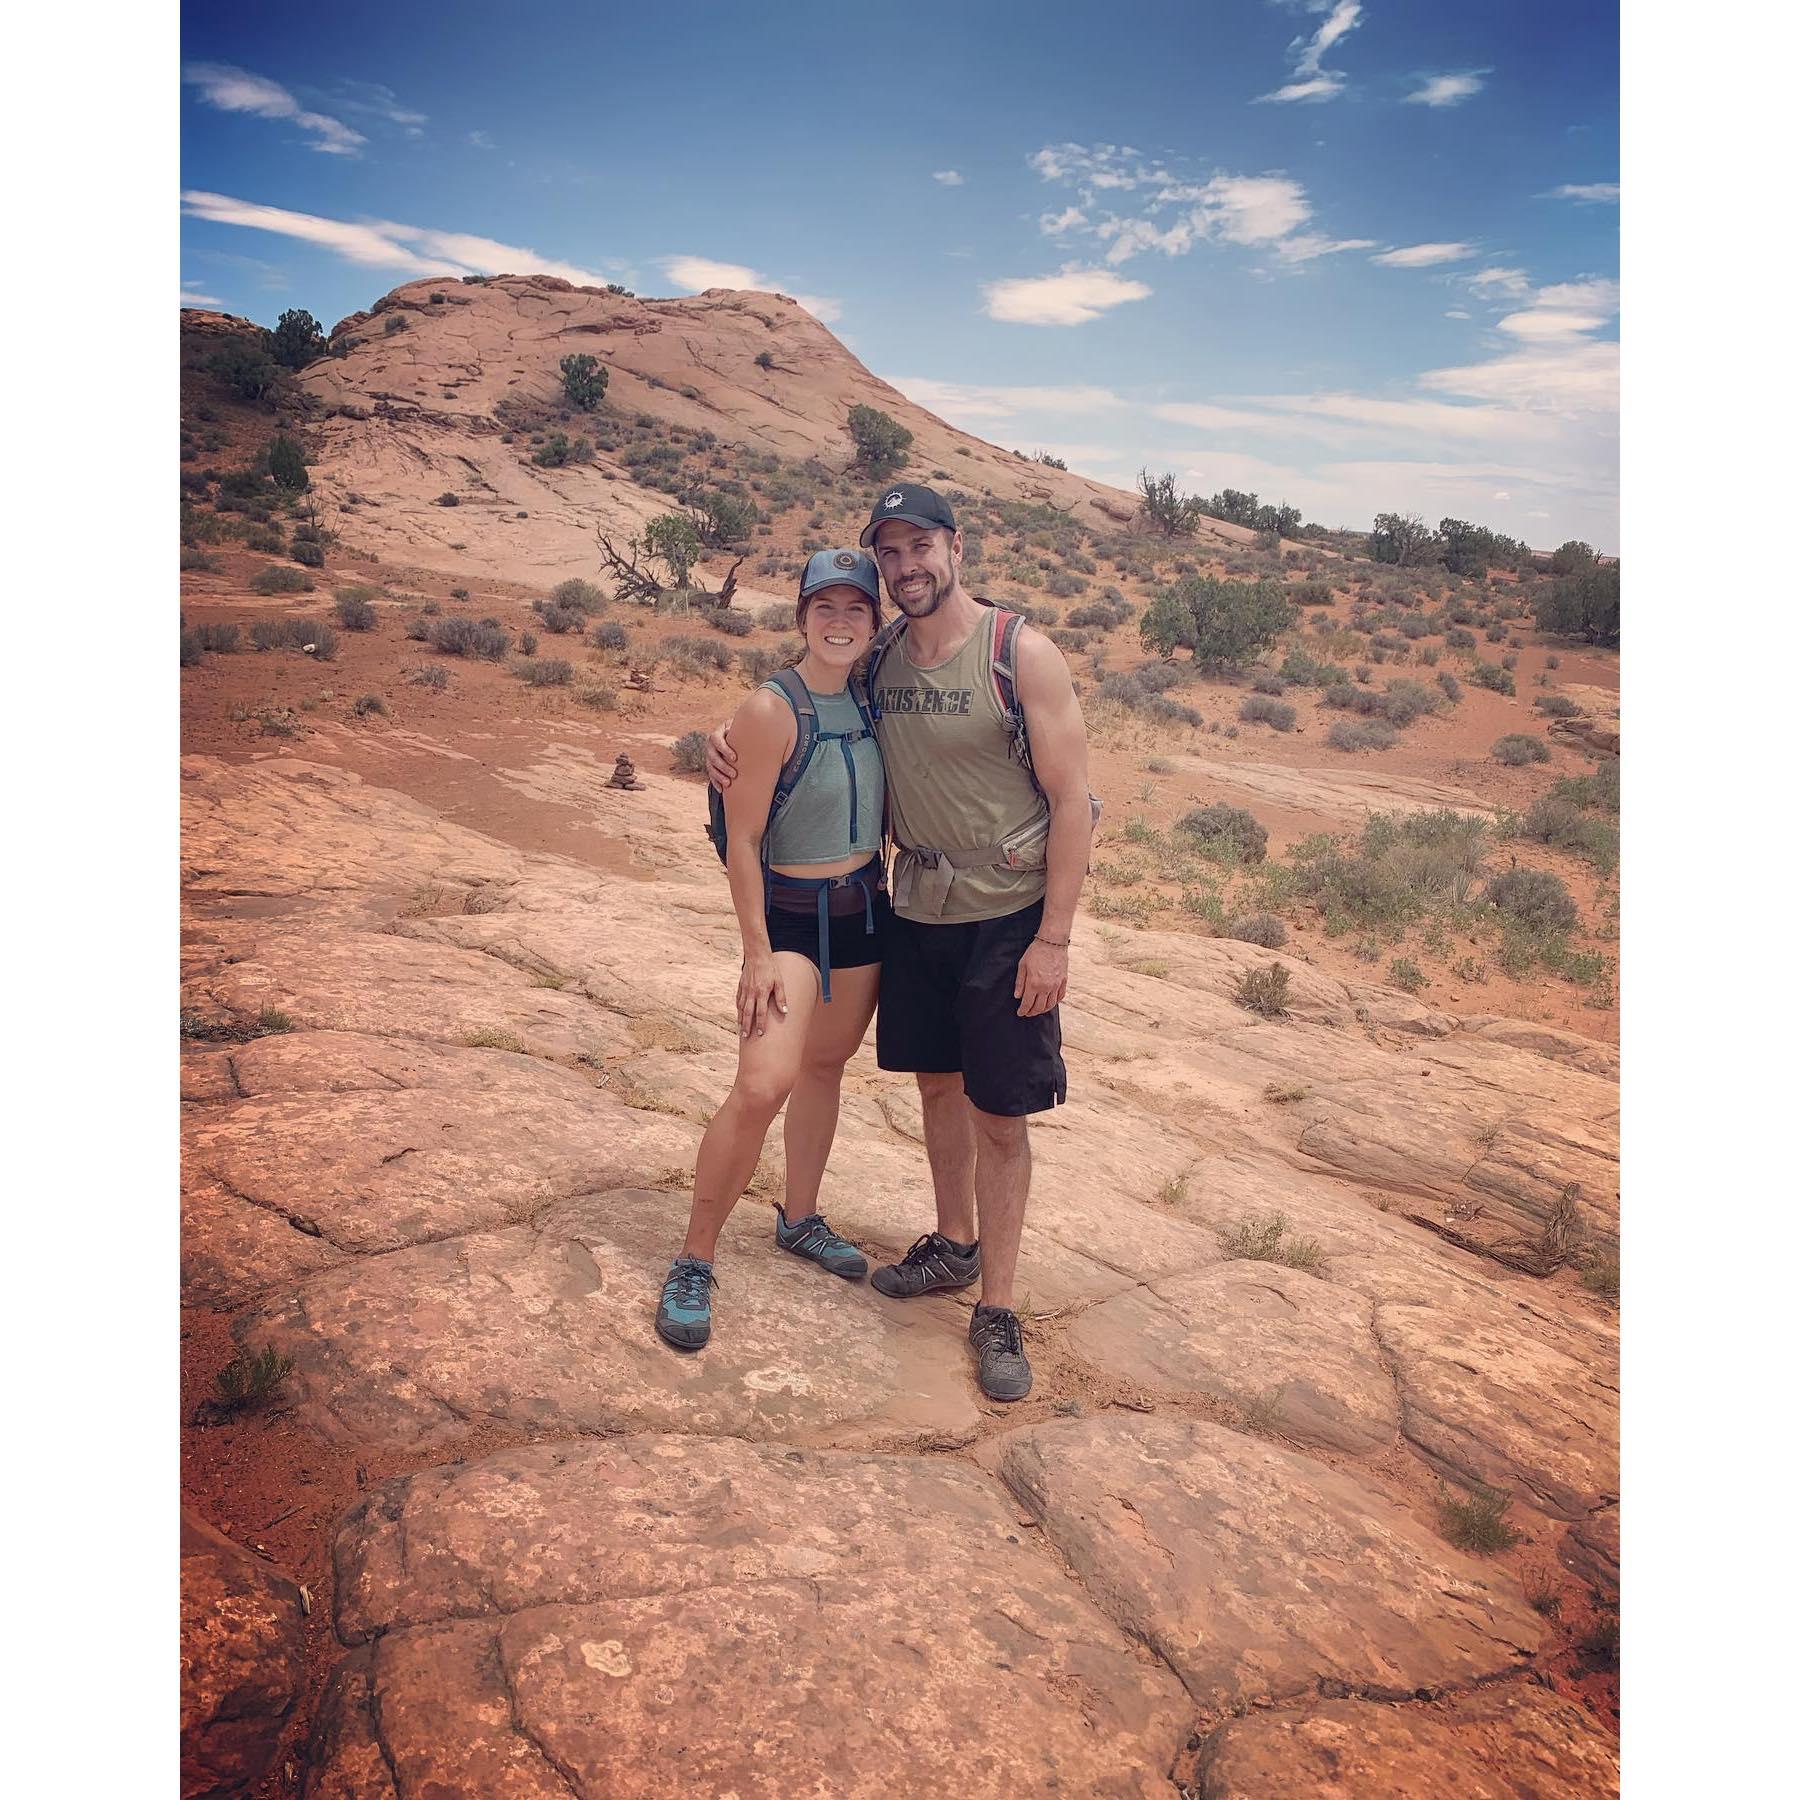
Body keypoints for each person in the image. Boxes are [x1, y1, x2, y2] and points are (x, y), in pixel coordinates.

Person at [706, 483, 1094, 1399]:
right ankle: (954, 1245)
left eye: (919, 546)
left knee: (1000, 1117)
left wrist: (1056, 939)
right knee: (938, 1085)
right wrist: (726, 737)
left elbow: (1074, 799)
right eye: (889, 553)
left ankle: (997, 1308)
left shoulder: (1018, 653)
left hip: (1007, 916)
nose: (905, 565)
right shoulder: (880, 660)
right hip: (914, 909)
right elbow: (807, 691)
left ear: (957, 548)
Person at [655, 549, 890, 1353]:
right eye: (823, 607)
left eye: (855, 608)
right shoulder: (770, 709)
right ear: (800, 617)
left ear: (873, 621)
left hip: (864, 915)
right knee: (761, 1085)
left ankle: (800, 1217)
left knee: (823, 1070)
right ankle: (695, 1256)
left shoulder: (876, 697)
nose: (839, 621)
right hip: (790, 922)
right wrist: (755, 952)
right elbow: (744, 839)